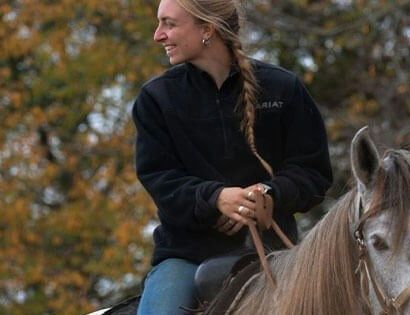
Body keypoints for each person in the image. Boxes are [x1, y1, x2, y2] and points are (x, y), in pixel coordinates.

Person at [131, 0, 333, 313]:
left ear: (207, 30)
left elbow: (312, 171)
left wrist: (269, 195)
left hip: (278, 255)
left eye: (169, 23)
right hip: (185, 258)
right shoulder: (156, 99)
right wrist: (215, 198)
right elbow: (160, 180)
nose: (158, 35)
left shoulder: (283, 88)